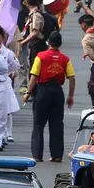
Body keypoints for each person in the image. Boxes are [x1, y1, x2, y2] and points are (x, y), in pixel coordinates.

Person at [23, 32, 75, 163]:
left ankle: (37, 155)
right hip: (57, 91)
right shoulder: (65, 59)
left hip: (42, 91)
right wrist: (70, 96)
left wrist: (28, 92)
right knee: (57, 124)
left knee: (38, 124)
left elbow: (34, 76)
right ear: (60, 44)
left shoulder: (41, 56)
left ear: (48, 42)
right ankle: (56, 155)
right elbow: (72, 78)